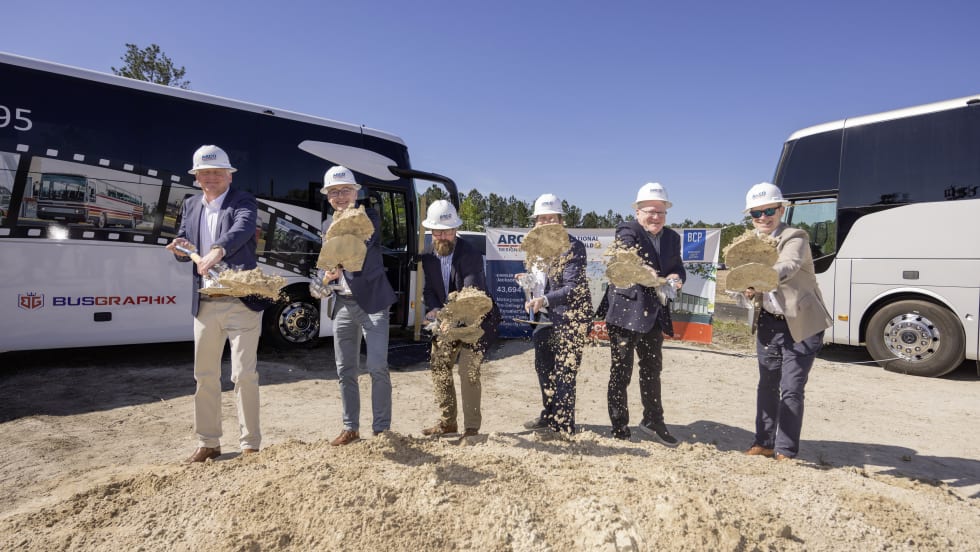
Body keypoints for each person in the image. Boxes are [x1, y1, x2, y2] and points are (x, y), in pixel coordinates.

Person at [167, 145, 267, 463]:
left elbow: (242, 229)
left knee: (243, 375)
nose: (210, 177)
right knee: (205, 375)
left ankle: (250, 445)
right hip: (206, 303)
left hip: (241, 302)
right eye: (204, 173)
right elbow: (185, 239)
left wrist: (217, 250)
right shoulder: (190, 205)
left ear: (229, 175)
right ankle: (208, 442)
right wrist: (181, 247)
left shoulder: (243, 201)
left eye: (217, 172)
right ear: (196, 178)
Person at [741, 182, 832, 460]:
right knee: (767, 385)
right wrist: (745, 288)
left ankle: (786, 450)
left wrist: (758, 277)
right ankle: (764, 443)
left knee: (791, 388)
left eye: (769, 211)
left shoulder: (795, 237)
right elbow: (743, 283)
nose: (763, 218)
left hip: (801, 323)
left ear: (781, 210)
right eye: (756, 213)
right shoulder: (749, 244)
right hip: (769, 323)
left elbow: (788, 265)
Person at [598, 182, 685, 445]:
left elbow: (678, 267)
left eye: (661, 212)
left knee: (652, 370)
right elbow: (625, 252)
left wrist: (676, 277)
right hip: (626, 312)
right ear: (638, 212)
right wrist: (642, 268)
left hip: (654, 312)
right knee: (621, 371)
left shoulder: (672, 238)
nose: (656, 217)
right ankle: (619, 426)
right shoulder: (628, 230)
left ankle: (653, 421)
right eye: (650, 211)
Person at [320, 165, 397, 446]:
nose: (340, 196)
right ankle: (350, 427)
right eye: (334, 192)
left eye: (345, 190)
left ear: (356, 192)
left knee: (377, 367)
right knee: (345, 370)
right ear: (328, 197)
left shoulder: (369, 216)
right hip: (343, 303)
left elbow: (358, 244)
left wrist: (335, 262)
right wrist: (324, 277)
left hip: (373, 304)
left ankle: (381, 430)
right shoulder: (326, 226)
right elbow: (326, 262)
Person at [419, 200, 499, 437]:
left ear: (456, 229)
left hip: (476, 320)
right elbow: (429, 290)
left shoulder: (470, 254)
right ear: (431, 230)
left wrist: (446, 317)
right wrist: (434, 309)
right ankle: (448, 423)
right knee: (439, 364)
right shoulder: (428, 256)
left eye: (447, 231)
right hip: (447, 320)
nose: (442, 236)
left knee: (467, 370)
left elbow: (470, 296)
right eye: (437, 231)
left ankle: (472, 428)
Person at [521, 193, 591, 434]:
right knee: (544, 368)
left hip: (570, 317)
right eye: (542, 219)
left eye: (552, 218)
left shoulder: (573, 247)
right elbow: (540, 282)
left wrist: (544, 299)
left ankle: (564, 425)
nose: (547, 223)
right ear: (535, 222)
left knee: (564, 372)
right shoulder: (534, 247)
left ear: (561, 221)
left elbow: (572, 288)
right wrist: (528, 285)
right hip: (544, 317)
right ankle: (550, 415)